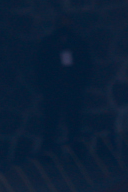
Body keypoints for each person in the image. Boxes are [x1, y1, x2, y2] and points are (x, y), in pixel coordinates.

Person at [36, 15, 91, 148]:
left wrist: (78, 81)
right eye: (62, 23)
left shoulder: (78, 43)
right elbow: (40, 65)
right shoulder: (49, 43)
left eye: (68, 23)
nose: (65, 27)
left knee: (74, 121)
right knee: (51, 121)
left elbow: (86, 65)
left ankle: (75, 150)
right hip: (53, 88)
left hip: (72, 88)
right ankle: (48, 150)